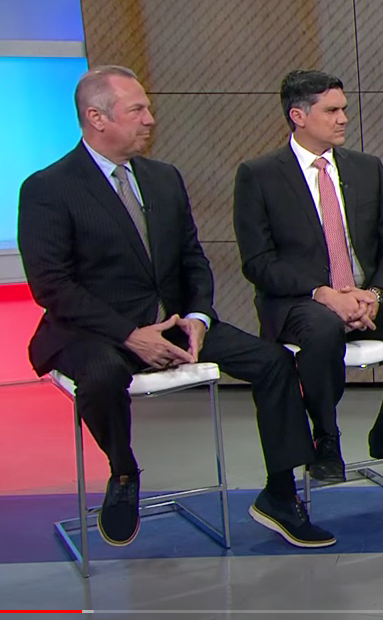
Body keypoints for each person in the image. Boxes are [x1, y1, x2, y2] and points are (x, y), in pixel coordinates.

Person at [18, 65, 336, 549]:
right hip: (92, 329)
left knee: (273, 362)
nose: (151, 118)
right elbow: (53, 286)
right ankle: (123, 473)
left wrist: (199, 316)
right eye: (138, 109)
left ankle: (279, 492)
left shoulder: (164, 178)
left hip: (173, 322)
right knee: (102, 376)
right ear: (96, 118)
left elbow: (193, 259)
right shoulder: (48, 187)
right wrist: (129, 334)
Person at [233, 70, 383, 481]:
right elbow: (258, 262)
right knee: (322, 328)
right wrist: (323, 293)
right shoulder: (259, 175)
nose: (343, 119)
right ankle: (325, 438)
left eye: (344, 109)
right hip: (302, 302)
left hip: (366, 295)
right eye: (331, 110)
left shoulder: (366, 168)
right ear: (298, 115)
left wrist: (373, 294)